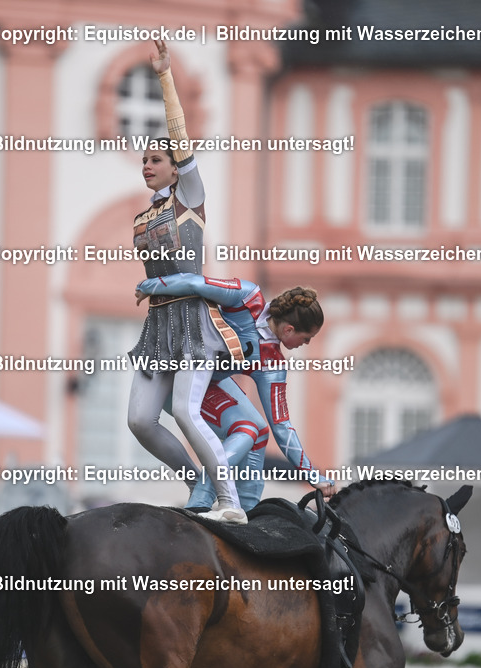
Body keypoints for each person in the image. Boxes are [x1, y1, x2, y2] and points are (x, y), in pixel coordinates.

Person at [126, 40, 244, 524]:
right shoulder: (142, 217)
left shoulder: (187, 201)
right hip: (158, 328)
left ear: (178, 167)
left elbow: (179, 131)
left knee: (185, 411)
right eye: (144, 160)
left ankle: (230, 502)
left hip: (193, 324)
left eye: (157, 159)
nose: (147, 164)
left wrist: (164, 77)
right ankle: (195, 480)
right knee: (139, 420)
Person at [136, 274, 336, 511]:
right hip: (176, 379)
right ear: (289, 329)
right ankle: (200, 497)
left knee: (260, 431)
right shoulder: (248, 297)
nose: (307, 344)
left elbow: (281, 427)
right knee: (247, 429)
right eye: (307, 338)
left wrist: (312, 475)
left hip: (207, 381)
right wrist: (148, 286)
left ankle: (248, 513)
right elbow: (195, 283)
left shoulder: (273, 363)